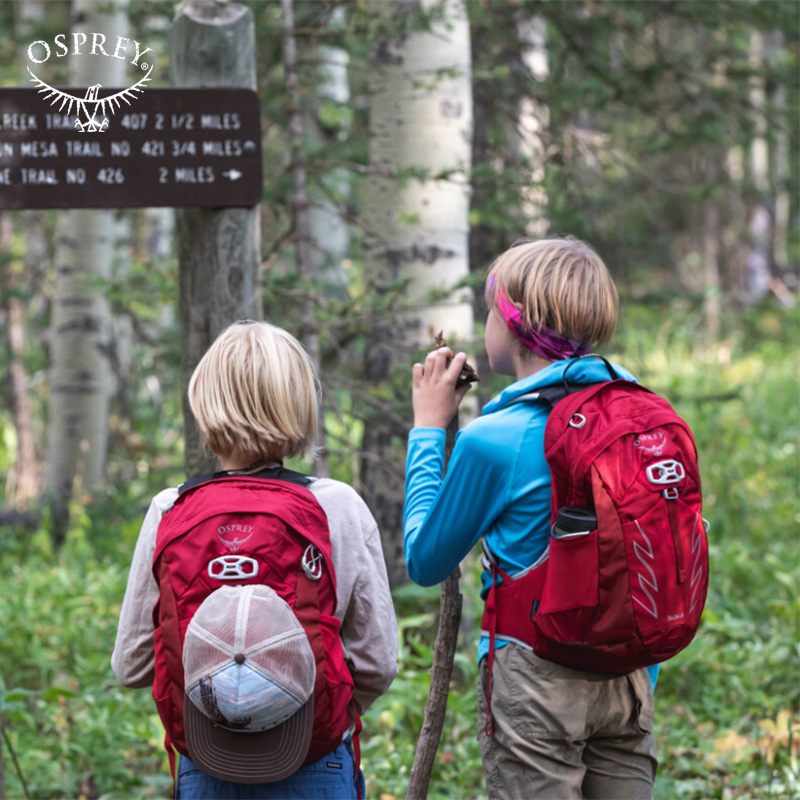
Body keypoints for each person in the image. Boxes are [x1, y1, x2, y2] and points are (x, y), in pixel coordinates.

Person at [403, 238, 659, 799]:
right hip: (630, 673)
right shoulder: (640, 417)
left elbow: (425, 559)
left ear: (514, 326)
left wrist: (427, 428)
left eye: (493, 308)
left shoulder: (493, 440)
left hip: (535, 676)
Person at [112, 320, 399, 800]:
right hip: (315, 763)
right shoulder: (337, 506)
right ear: (301, 403)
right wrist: (308, 707)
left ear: (205, 405)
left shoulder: (170, 510)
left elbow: (132, 666)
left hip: (206, 764)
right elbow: (377, 662)